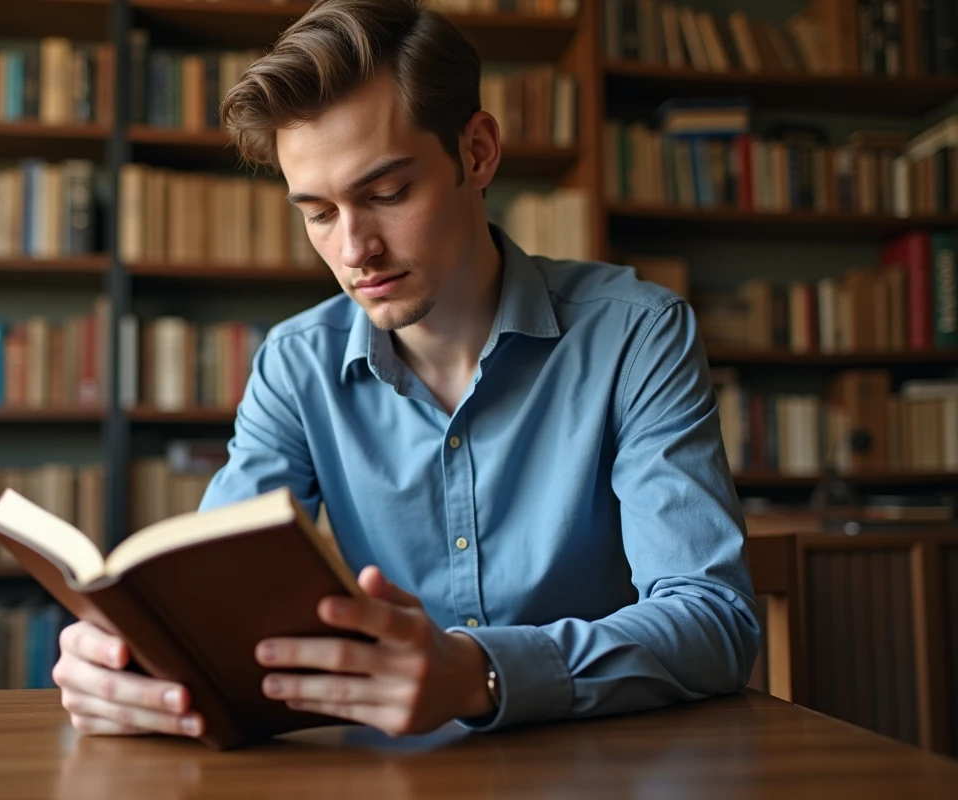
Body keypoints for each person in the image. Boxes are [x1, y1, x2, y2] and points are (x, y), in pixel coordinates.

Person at [51, 0, 760, 740]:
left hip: (604, 766)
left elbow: (717, 622)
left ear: (478, 152)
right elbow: (212, 609)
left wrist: (479, 672)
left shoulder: (637, 334)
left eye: (386, 194)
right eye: (319, 213)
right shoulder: (296, 366)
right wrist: (136, 667)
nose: (355, 249)